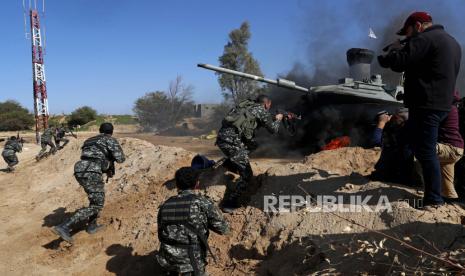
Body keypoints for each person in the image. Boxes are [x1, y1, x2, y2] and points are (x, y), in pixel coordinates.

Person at [378, 11, 461, 207]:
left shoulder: (424, 39)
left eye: (407, 32)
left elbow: (398, 63)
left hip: (427, 105)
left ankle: (433, 199)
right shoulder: (452, 42)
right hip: (442, 104)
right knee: (407, 140)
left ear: (417, 25)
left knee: (425, 151)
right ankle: (394, 176)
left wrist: (392, 52)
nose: (407, 37)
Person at [52, 123, 125, 243]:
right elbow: (121, 158)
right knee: (97, 205)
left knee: (95, 200)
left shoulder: (90, 140)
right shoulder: (109, 139)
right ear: (111, 131)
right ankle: (64, 226)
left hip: (80, 168)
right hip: (92, 170)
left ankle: (92, 226)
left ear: (99, 130)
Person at [216, 94, 284, 212]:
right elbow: (273, 129)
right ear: (266, 104)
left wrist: (272, 117)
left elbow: (258, 120)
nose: (269, 107)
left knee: (253, 145)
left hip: (222, 139)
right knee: (247, 176)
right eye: (269, 105)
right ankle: (230, 203)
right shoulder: (261, 110)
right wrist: (278, 119)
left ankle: (230, 163)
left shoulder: (246, 106)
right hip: (232, 143)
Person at [157, 167, 230, 276]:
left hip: (168, 260)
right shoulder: (201, 202)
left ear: (177, 185)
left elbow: (160, 232)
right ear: (197, 184)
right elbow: (224, 229)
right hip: (192, 262)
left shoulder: (165, 205)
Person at [437, 93, 464, 202]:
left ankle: (427, 189)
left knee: (425, 148)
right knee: (448, 184)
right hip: (457, 149)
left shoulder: (446, 108)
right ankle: (451, 201)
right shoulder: (452, 108)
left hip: (450, 148)